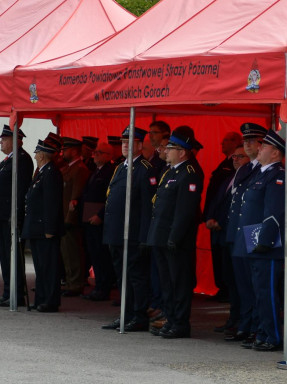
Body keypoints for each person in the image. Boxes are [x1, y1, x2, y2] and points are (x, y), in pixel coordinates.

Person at [147, 130, 204, 339]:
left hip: (176, 240)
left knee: (179, 282)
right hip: (161, 236)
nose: (166, 151)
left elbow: (185, 211)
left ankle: (180, 322)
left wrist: (174, 237)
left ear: (182, 152)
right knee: (167, 283)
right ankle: (171, 319)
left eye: (170, 148)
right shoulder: (169, 171)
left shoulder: (189, 173)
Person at [102, 127, 157, 330]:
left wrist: (144, 237)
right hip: (116, 233)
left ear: (140, 145)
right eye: (123, 142)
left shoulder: (144, 169)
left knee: (136, 277)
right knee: (121, 276)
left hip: (132, 234)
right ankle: (126, 313)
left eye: (130, 141)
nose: (125, 145)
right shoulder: (121, 167)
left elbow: (146, 206)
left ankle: (139, 316)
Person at [238, 129, 286, 351]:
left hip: (266, 243)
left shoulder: (277, 175)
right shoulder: (260, 173)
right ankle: (262, 332)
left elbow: (273, 212)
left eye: (264, 147)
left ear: (275, 153)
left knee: (267, 292)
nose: (259, 148)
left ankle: (273, 336)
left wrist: (264, 241)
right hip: (253, 239)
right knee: (258, 291)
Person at [226, 123, 267, 343]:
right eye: (245, 141)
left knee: (255, 283)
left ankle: (254, 325)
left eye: (252, 141)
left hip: (254, 231)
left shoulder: (263, 168)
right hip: (239, 231)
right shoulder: (244, 168)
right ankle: (245, 322)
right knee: (241, 283)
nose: (248, 145)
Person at [0, 125, 33, 308]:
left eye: (4, 139)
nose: (1, 142)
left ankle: (15, 293)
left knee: (12, 257)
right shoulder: (8, 160)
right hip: (1, 215)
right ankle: (8, 291)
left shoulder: (22, 159)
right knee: (5, 256)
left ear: (16, 140)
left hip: (9, 215)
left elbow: (20, 190)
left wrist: (16, 213)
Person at [23, 139, 64, 313]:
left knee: (49, 266)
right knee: (40, 267)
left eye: (36, 153)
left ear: (42, 155)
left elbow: (51, 204)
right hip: (36, 228)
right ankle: (40, 298)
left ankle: (50, 300)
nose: (34, 155)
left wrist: (49, 229)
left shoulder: (51, 173)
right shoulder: (41, 172)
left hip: (44, 229)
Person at [205, 131, 243, 302]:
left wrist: (221, 221)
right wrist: (210, 217)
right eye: (234, 157)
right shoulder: (228, 173)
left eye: (239, 157)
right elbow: (217, 197)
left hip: (232, 231)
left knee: (235, 277)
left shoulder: (247, 179)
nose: (235, 160)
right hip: (220, 229)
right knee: (222, 267)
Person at [80, 142, 116, 301]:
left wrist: (100, 215)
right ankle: (99, 286)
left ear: (108, 156)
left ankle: (103, 287)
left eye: (99, 153)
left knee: (102, 255)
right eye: (95, 152)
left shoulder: (110, 172)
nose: (95, 155)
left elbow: (109, 198)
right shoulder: (97, 171)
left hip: (100, 219)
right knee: (94, 253)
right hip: (89, 217)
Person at [58, 137, 90, 297]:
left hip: (71, 218)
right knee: (66, 252)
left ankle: (76, 283)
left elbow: (75, 196)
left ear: (75, 151)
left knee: (73, 252)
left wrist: (70, 218)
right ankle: (71, 281)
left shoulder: (80, 169)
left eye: (66, 149)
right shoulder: (68, 168)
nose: (63, 152)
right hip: (63, 216)